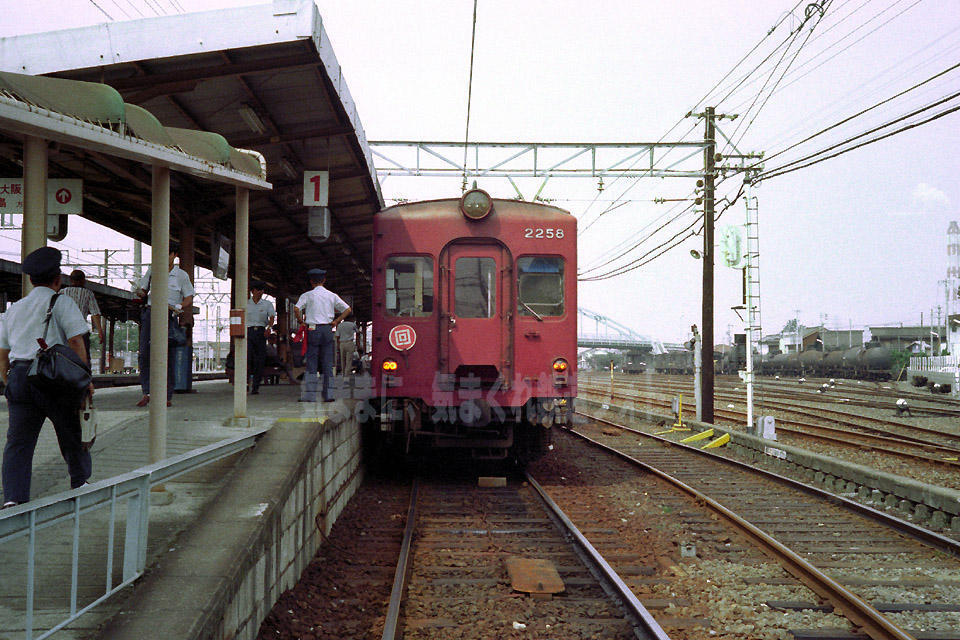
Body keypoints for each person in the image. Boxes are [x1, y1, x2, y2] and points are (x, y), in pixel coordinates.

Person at [1, 247, 93, 508]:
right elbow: (76, 340)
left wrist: (10, 383)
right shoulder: (62, 302)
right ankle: (80, 483)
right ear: (58, 279)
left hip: (20, 375)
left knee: (18, 442)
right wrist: (84, 380)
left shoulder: (15, 309)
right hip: (53, 377)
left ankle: (14, 498)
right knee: (70, 431)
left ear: (30, 280)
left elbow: (2, 355)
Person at [133, 243, 194, 407]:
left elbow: (189, 296)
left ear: (174, 255)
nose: (163, 257)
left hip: (169, 315)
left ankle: (166, 395)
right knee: (145, 354)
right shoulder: (153, 269)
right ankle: (146, 392)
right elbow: (143, 290)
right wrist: (139, 291)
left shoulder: (181, 275)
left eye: (167, 254)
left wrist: (180, 306)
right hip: (150, 313)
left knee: (168, 355)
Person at [294, 269, 351, 402]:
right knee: (327, 362)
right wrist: (336, 321)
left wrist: (301, 322)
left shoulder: (307, 295)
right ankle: (328, 395)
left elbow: (296, 308)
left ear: (311, 281)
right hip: (327, 329)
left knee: (312, 363)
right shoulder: (332, 295)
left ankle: (310, 395)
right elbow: (347, 309)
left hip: (313, 330)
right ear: (324, 280)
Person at [61, 269, 106, 364]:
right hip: (81, 331)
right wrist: (100, 331)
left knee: (65, 357)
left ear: (70, 280)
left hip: (65, 331)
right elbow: (95, 313)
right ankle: (84, 377)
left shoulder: (62, 292)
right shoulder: (88, 293)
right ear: (83, 280)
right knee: (84, 358)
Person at [246, 280, 275, 395]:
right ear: (252, 291)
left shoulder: (267, 304)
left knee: (260, 360)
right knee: (248, 358)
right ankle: (246, 383)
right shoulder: (246, 304)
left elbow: (272, 317)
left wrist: (269, 328)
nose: (260, 292)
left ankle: (256, 386)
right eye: (258, 290)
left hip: (261, 333)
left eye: (262, 290)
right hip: (248, 332)